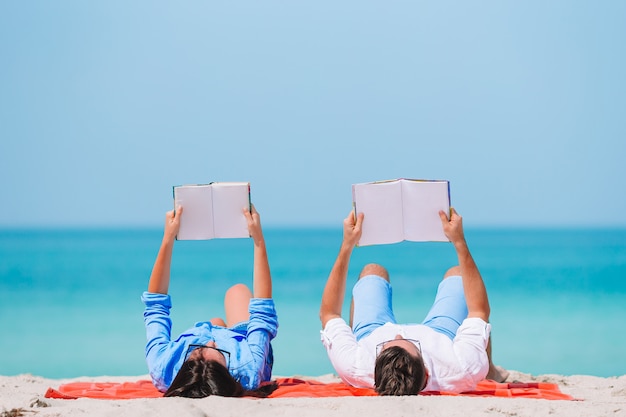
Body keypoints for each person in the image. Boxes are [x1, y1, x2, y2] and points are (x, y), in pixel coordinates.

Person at [319, 207, 508, 396]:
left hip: (372, 332)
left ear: (374, 374)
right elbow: (478, 311)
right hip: (440, 335)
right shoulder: (463, 367)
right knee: (457, 274)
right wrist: (459, 241)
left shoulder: (356, 365)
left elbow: (330, 313)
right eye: (411, 342)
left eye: (387, 345)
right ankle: (490, 370)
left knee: (372, 271)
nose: (398, 335)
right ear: (427, 373)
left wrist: (347, 245)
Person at [142, 204, 278, 398]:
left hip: (211, 337)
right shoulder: (248, 367)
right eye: (220, 352)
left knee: (215, 323)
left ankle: (213, 337)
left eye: (198, 349)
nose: (211, 342)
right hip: (243, 343)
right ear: (228, 372)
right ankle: (219, 341)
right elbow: (262, 310)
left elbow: (156, 305)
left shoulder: (163, 367)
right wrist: (258, 239)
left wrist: (168, 238)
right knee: (237, 291)